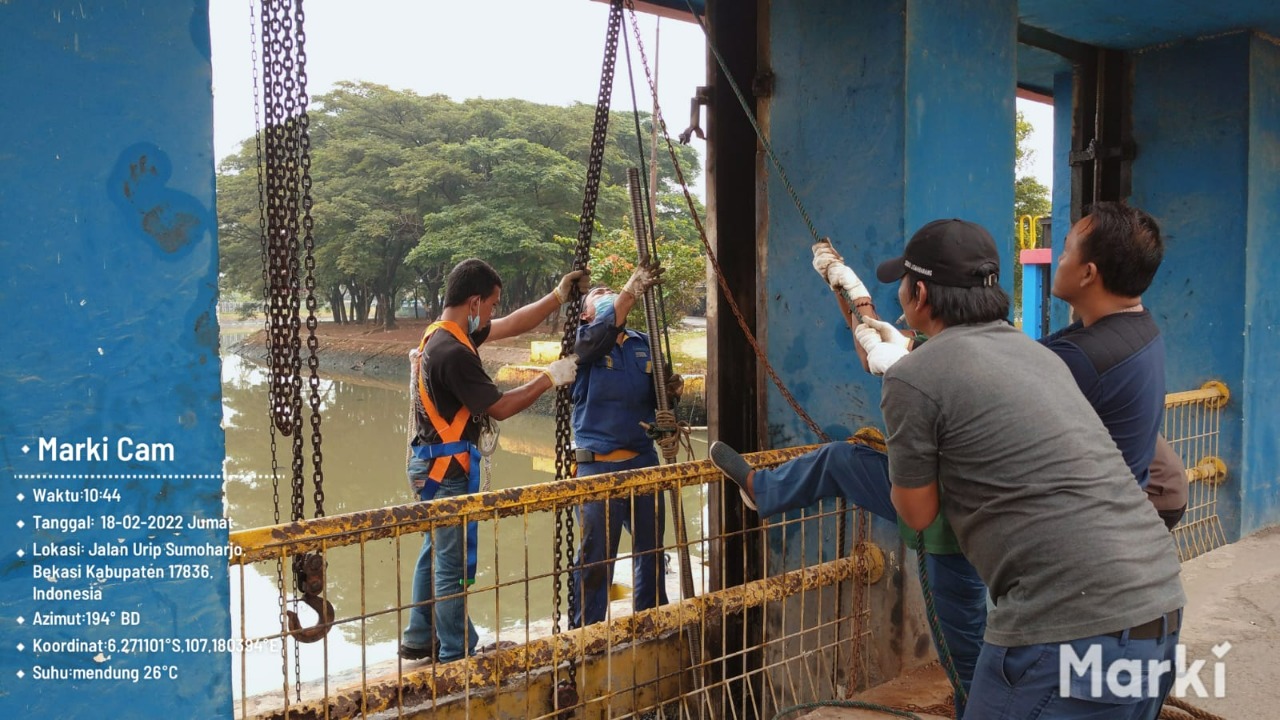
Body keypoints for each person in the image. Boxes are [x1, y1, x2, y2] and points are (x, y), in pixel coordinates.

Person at [869, 218, 1184, 717]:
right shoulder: (1040, 355)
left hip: (1067, 626)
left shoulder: (913, 378)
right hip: (1158, 604)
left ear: (919, 294)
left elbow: (917, 512)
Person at [400, 258, 586, 664]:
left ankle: (419, 635)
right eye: (491, 305)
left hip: (429, 464)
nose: (493, 314)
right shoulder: (454, 352)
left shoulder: (443, 332)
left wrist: (557, 297)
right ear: (473, 302)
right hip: (445, 471)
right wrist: (549, 378)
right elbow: (499, 408)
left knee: (433, 550)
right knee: (450, 565)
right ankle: (455, 652)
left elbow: (515, 324)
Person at [567, 262, 681, 628]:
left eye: (610, 293)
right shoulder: (580, 342)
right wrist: (629, 294)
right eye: (597, 296)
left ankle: (650, 621)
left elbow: (657, 400)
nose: (606, 297)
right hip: (597, 468)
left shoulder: (641, 344)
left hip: (642, 461)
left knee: (651, 549)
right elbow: (596, 337)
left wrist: (670, 398)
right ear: (585, 312)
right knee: (596, 557)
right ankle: (586, 634)